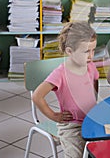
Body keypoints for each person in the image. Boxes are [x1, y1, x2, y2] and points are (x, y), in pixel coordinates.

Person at [32, 22, 99, 158]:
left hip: (91, 120)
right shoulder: (60, 73)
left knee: (105, 149)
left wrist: (93, 104)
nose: (91, 56)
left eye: (93, 50)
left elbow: (95, 82)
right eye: (86, 51)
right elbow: (37, 96)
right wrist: (53, 116)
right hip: (71, 126)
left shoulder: (90, 65)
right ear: (69, 51)